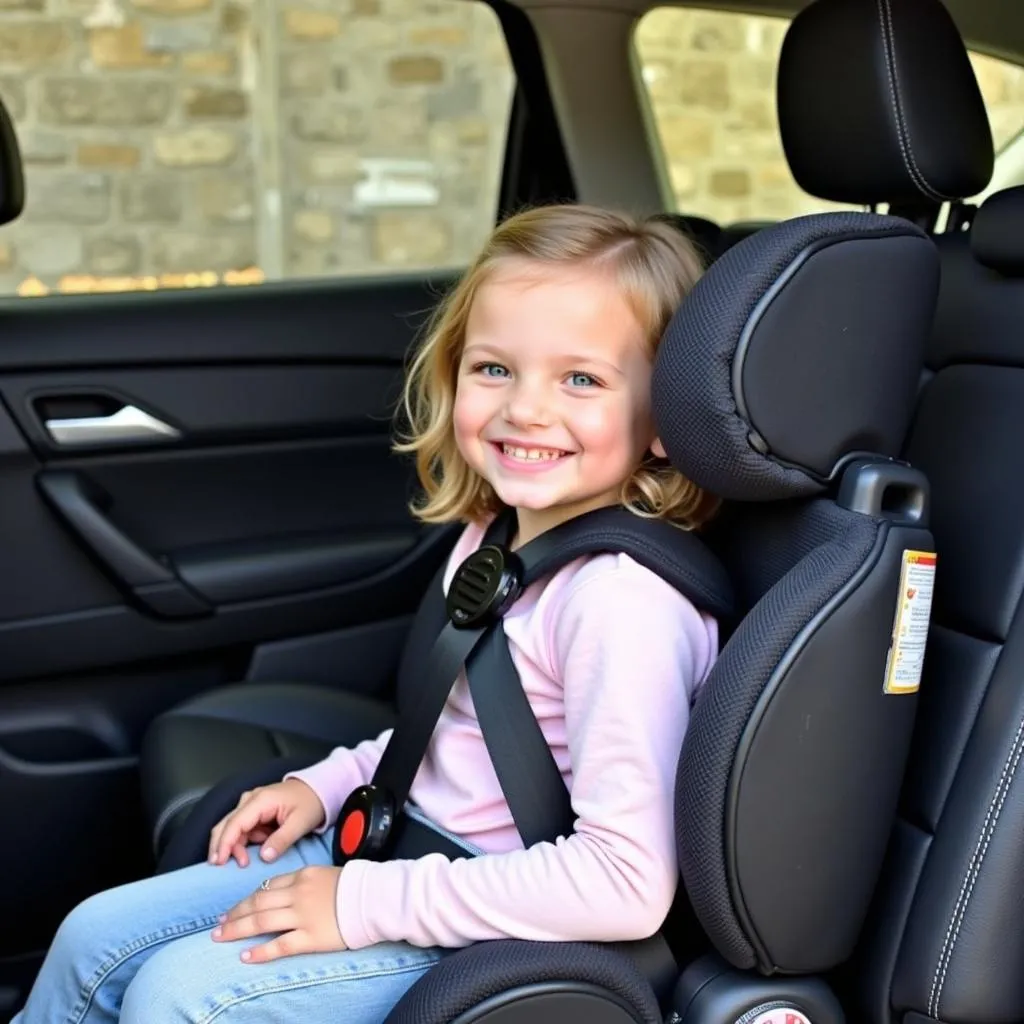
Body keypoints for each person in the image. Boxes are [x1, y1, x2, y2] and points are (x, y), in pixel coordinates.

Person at [13, 204, 721, 1024]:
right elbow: (466, 743)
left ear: (667, 421)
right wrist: (332, 782)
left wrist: (358, 905)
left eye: (582, 379)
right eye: (494, 369)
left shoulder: (619, 604)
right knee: (90, 937)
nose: (525, 408)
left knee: (180, 1000)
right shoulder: (498, 539)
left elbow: (625, 883)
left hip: (491, 919)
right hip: (401, 855)